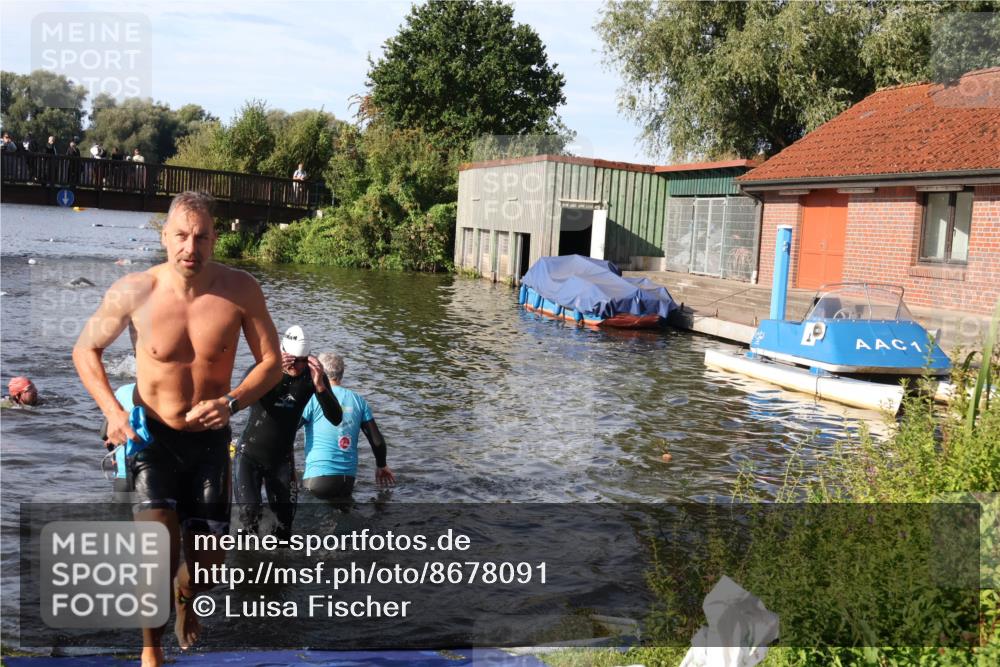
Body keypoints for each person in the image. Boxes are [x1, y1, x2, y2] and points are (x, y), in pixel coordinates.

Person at [73, 190, 283, 667]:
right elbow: (85, 350)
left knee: (206, 573)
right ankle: (151, 650)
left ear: (215, 239)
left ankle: (186, 599)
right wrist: (113, 411)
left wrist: (232, 402)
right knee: (155, 558)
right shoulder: (135, 290)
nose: (191, 247)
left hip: (210, 443)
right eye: (182, 236)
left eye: (202, 237)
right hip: (152, 438)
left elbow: (271, 363)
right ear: (164, 235)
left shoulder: (241, 289)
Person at [233, 326, 342, 539]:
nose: (297, 367)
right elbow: (239, 400)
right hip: (249, 455)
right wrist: (270, 373)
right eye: (292, 361)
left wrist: (320, 386)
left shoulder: (312, 376)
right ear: (283, 353)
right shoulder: (264, 369)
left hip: (281, 460)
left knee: (284, 530)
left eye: (302, 360)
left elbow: (336, 418)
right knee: (249, 516)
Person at [301, 352, 395, 503]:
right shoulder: (359, 400)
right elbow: (377, 441)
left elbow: (288, 429)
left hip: (317, 477)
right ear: (342, 373)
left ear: (318, 373)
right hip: (347, 480)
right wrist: (381, 465)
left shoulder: (312, 398)